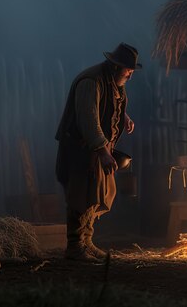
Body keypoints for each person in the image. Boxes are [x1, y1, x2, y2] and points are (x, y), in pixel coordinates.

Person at [55, 43, 141, 261]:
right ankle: (75, 246)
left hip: (97, 151)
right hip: (81, 151)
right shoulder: (91, 82)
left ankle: (87, 242)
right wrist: (103, 152)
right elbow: (88, 119)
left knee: (98, 196)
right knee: (81, 196)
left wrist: (124, 117)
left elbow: (110, 104)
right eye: (128, 71)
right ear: (115, 66)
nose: (130, 76)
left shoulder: (113, 81)